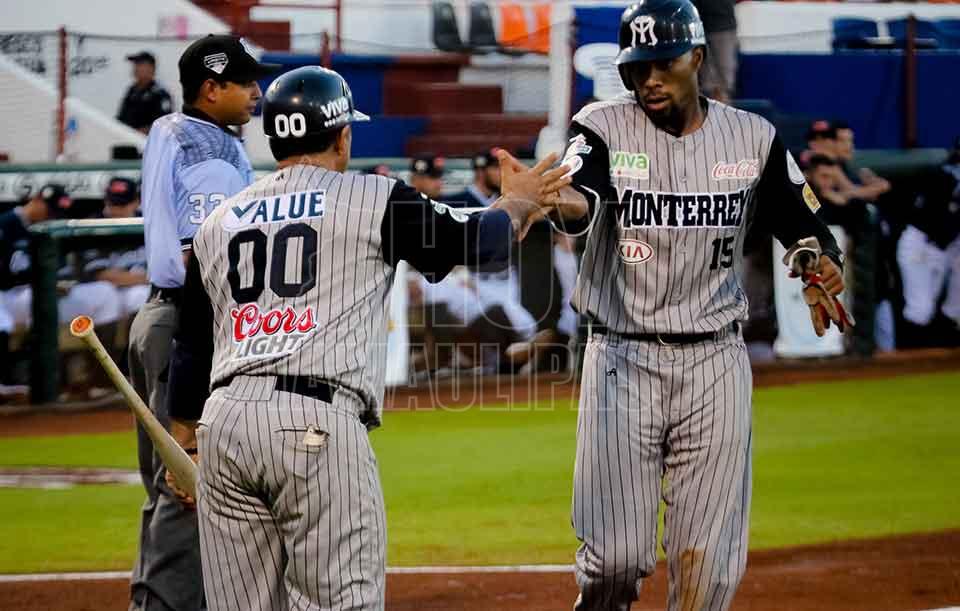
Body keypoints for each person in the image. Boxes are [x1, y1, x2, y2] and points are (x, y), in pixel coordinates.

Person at [161, 65, 578, 610]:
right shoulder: (374, 198)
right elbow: (481, 242)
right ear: (343, 135)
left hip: (225, 425)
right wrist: (519, 200)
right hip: (313, 423)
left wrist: (182, 439)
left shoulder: (220, 219)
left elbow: (191, 342)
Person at [525, 1, 849, 608]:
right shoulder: (600, 126)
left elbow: (803, 223)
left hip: (715, 362)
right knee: (614, 561)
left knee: (709, 565)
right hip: (622, 358)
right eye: (635, 65)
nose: (648, 79)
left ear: (697, 58)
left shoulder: (751, 137)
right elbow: (580, 196)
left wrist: (814, 261)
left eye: (662, 63)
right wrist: (548, 202)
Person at [126, 35, 279, 611]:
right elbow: (203, 262)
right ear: (211, 88)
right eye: (245, 83)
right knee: (186, 487)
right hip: (191, 319)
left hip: (161, 315)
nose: (257, 93)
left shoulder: (174, 130)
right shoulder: (205, 148)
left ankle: (157, 598)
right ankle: (162, 604)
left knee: (168, 484)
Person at [896, 138, 960, 343]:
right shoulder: (943, 175)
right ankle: (906, 360)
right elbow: (937, 217)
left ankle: (936, 348)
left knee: (937, 309)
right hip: (921, 243)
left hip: (946, 245)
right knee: (920, 309)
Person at [79, 178, 150, 318]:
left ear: (136, 202)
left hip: (139, 286)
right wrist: (150, 279)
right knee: (111, 294)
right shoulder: (93, 225)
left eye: (122, 205)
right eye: (113, 204)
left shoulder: (149, 221)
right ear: (106, 201)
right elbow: (103, 276)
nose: (116, 210)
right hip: (109, 290)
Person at [692, 0, 737, 103]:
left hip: (723, 25)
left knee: (724, 77)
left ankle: (725, 111)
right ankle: (707, 111)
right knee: (705, 80)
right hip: (699, 26)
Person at [117, 52, 174, 134]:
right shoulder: (132, 91)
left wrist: (136, 133)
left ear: (151, 68)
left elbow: (165, 125)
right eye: (135, 65)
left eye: (140, 64)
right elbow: (121, 118)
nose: (135, 68)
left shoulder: (160, 94)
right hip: (126, 140)